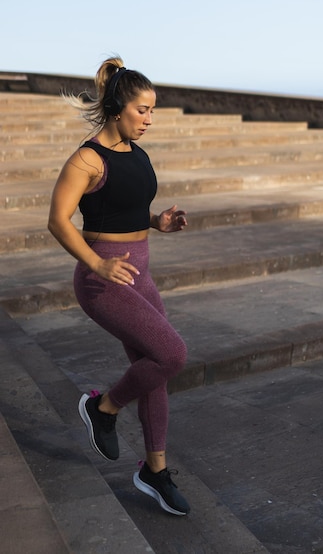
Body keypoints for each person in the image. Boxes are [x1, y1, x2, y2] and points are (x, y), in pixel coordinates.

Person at [48, 56, 190, 516]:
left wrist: (157, 223)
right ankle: (102, 409)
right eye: (142, 110)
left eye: (153, 110)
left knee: (155, 367)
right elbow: (58, 221)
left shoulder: (136, 152)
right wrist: (96, 264)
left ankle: (155, 471)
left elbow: (125, 208)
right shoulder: (87, 158)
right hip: (102, 279)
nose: (149, 120)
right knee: (171, 355)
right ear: (117, 109)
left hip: (140, 272)